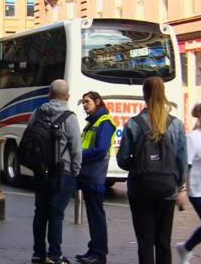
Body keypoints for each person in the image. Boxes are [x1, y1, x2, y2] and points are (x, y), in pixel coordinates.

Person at [116, 76, 187, 264]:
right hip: (167, 189)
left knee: (145, 241)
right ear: (163, 94)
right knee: (163, 241)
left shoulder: (133, 124)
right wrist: (178, 185)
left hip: (141, 189)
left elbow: (122, 160)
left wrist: (139, 165)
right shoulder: (176, 125)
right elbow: (182, 161)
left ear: (144, 95)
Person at [29, 79, 82, 264]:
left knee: (40, 212)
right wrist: (75, 171)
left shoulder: (37, 113)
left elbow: (30, 136)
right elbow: (76, 148)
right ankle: (55, 255)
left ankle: (38, 253)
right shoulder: (70, 117)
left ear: (49, 94)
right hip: (62, 172)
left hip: (41, 171)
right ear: (67, 97)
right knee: (56, 213)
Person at [76, 91, 116, 264]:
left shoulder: (104, 123)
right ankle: (93, 249)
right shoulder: (92, 122)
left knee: (97, 216)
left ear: (97, 101)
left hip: (95, 176)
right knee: (93, 216)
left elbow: (100, 150)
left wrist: (78, 155)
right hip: (88, 175)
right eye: (83, 102)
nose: (84, 105)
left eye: (87, 102)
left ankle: (99, 254)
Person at [176, 103, 201, 264]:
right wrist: (182, 189)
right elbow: (186, 165)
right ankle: (186, 247)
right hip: (197, 190)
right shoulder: (193, 138)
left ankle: (186, 247)